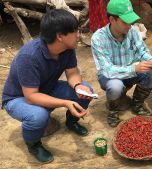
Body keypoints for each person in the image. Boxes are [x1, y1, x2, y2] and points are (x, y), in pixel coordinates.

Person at [1, 9, 94, 163]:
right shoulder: (29, 56)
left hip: (47, 87)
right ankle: (33, 144)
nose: (79, 35)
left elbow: (72, 73)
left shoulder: (67, 48)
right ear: (60, 36)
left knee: (86, 90)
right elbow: (31, 96)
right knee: (38, 116)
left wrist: (77, 85)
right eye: (76, 31)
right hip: (19, 97)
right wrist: (65, 102)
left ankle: (72, 122)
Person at [91, 0, 152, 127]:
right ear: (112, 19)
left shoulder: (132, 31)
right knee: (115, 86)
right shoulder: (98, 38)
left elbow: (142, 50)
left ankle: (137, 104)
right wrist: (134, 69)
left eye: (131, 21)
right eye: (125, 22)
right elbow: (108, 70)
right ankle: (113, 112)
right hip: (110, 76)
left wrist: (150, 60)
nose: (129, 25)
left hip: (132, 70)